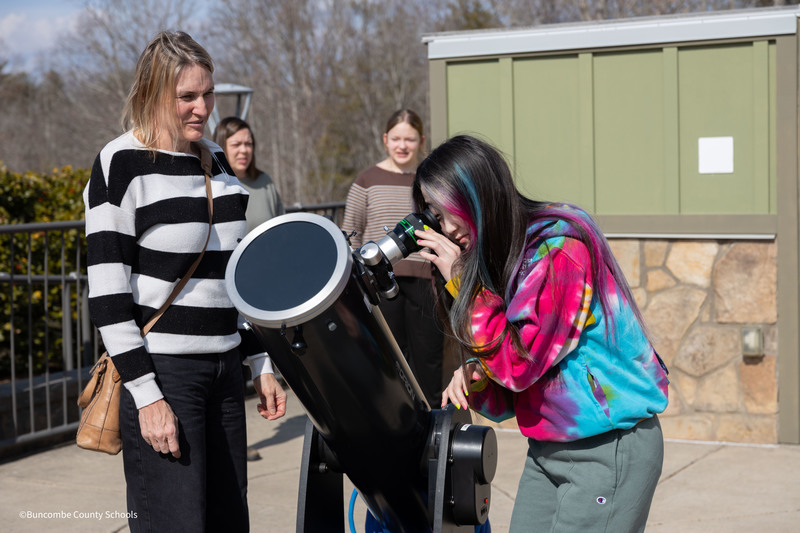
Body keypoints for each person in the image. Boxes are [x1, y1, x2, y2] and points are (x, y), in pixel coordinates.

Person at [413, 135, 670, 533]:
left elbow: (520, 364)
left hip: (608, 446)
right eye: (434, 214)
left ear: (477, 195)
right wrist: (477, 373)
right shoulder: (504, 253)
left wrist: (463, 283)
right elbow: (512, 383)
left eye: (448, 211)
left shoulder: (559, 245)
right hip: (550, 449)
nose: (445, 227)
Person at [83, 30, 286, 532]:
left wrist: (260, 360)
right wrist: (148, 396)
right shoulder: (121, 163)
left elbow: (238, 277)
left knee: (227, 521)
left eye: (208, 94)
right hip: (163, 374)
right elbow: (108, 295)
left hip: (225, 370)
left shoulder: (218, 161)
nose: (202, 107)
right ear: (154, 94)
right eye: (187, 97)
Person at [341, 109, 443, 407]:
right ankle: (397, 417)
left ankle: (433, 422)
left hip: (427, 282)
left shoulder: (431, 180)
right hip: (380, 283)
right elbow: (350, 233)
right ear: (385, 140)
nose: (402, 145)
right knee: (389, 356)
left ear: (421, 140)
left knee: (428, 358)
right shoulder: (367, 180)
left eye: (409, 139)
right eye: (396, 138)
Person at [213, 116, 284, 233]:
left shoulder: (265, 182)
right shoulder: (212, 185)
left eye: (248, 144)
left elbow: (282, 229)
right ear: (220, 147)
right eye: (236, 144)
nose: (244, 150)